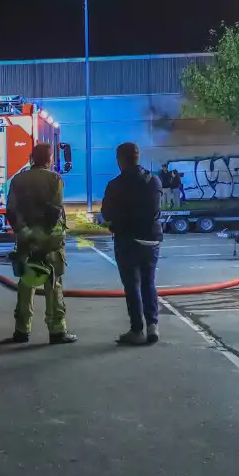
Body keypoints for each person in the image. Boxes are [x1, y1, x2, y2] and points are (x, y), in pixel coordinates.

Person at [6, 143, 76, 345]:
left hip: (26, 239)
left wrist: (25, 231)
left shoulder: (18, 180)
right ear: (49, 159)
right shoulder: (55, 179)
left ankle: (21, 330)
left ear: (32, 158)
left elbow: (11, 210)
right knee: (53, 284)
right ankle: (57, 331)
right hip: (50, 240)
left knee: (26, 283)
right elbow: (55, 210)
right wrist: (44, 236)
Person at [101, 142, 164, 345]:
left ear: (120, 160)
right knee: (149, 282)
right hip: (152, 240)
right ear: (138, 157)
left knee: (132, 286)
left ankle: (137, 331)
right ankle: (153, 326)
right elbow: (156, 211)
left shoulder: (115, 185)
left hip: (127, 240)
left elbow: (106, 214)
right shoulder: (154, 180)